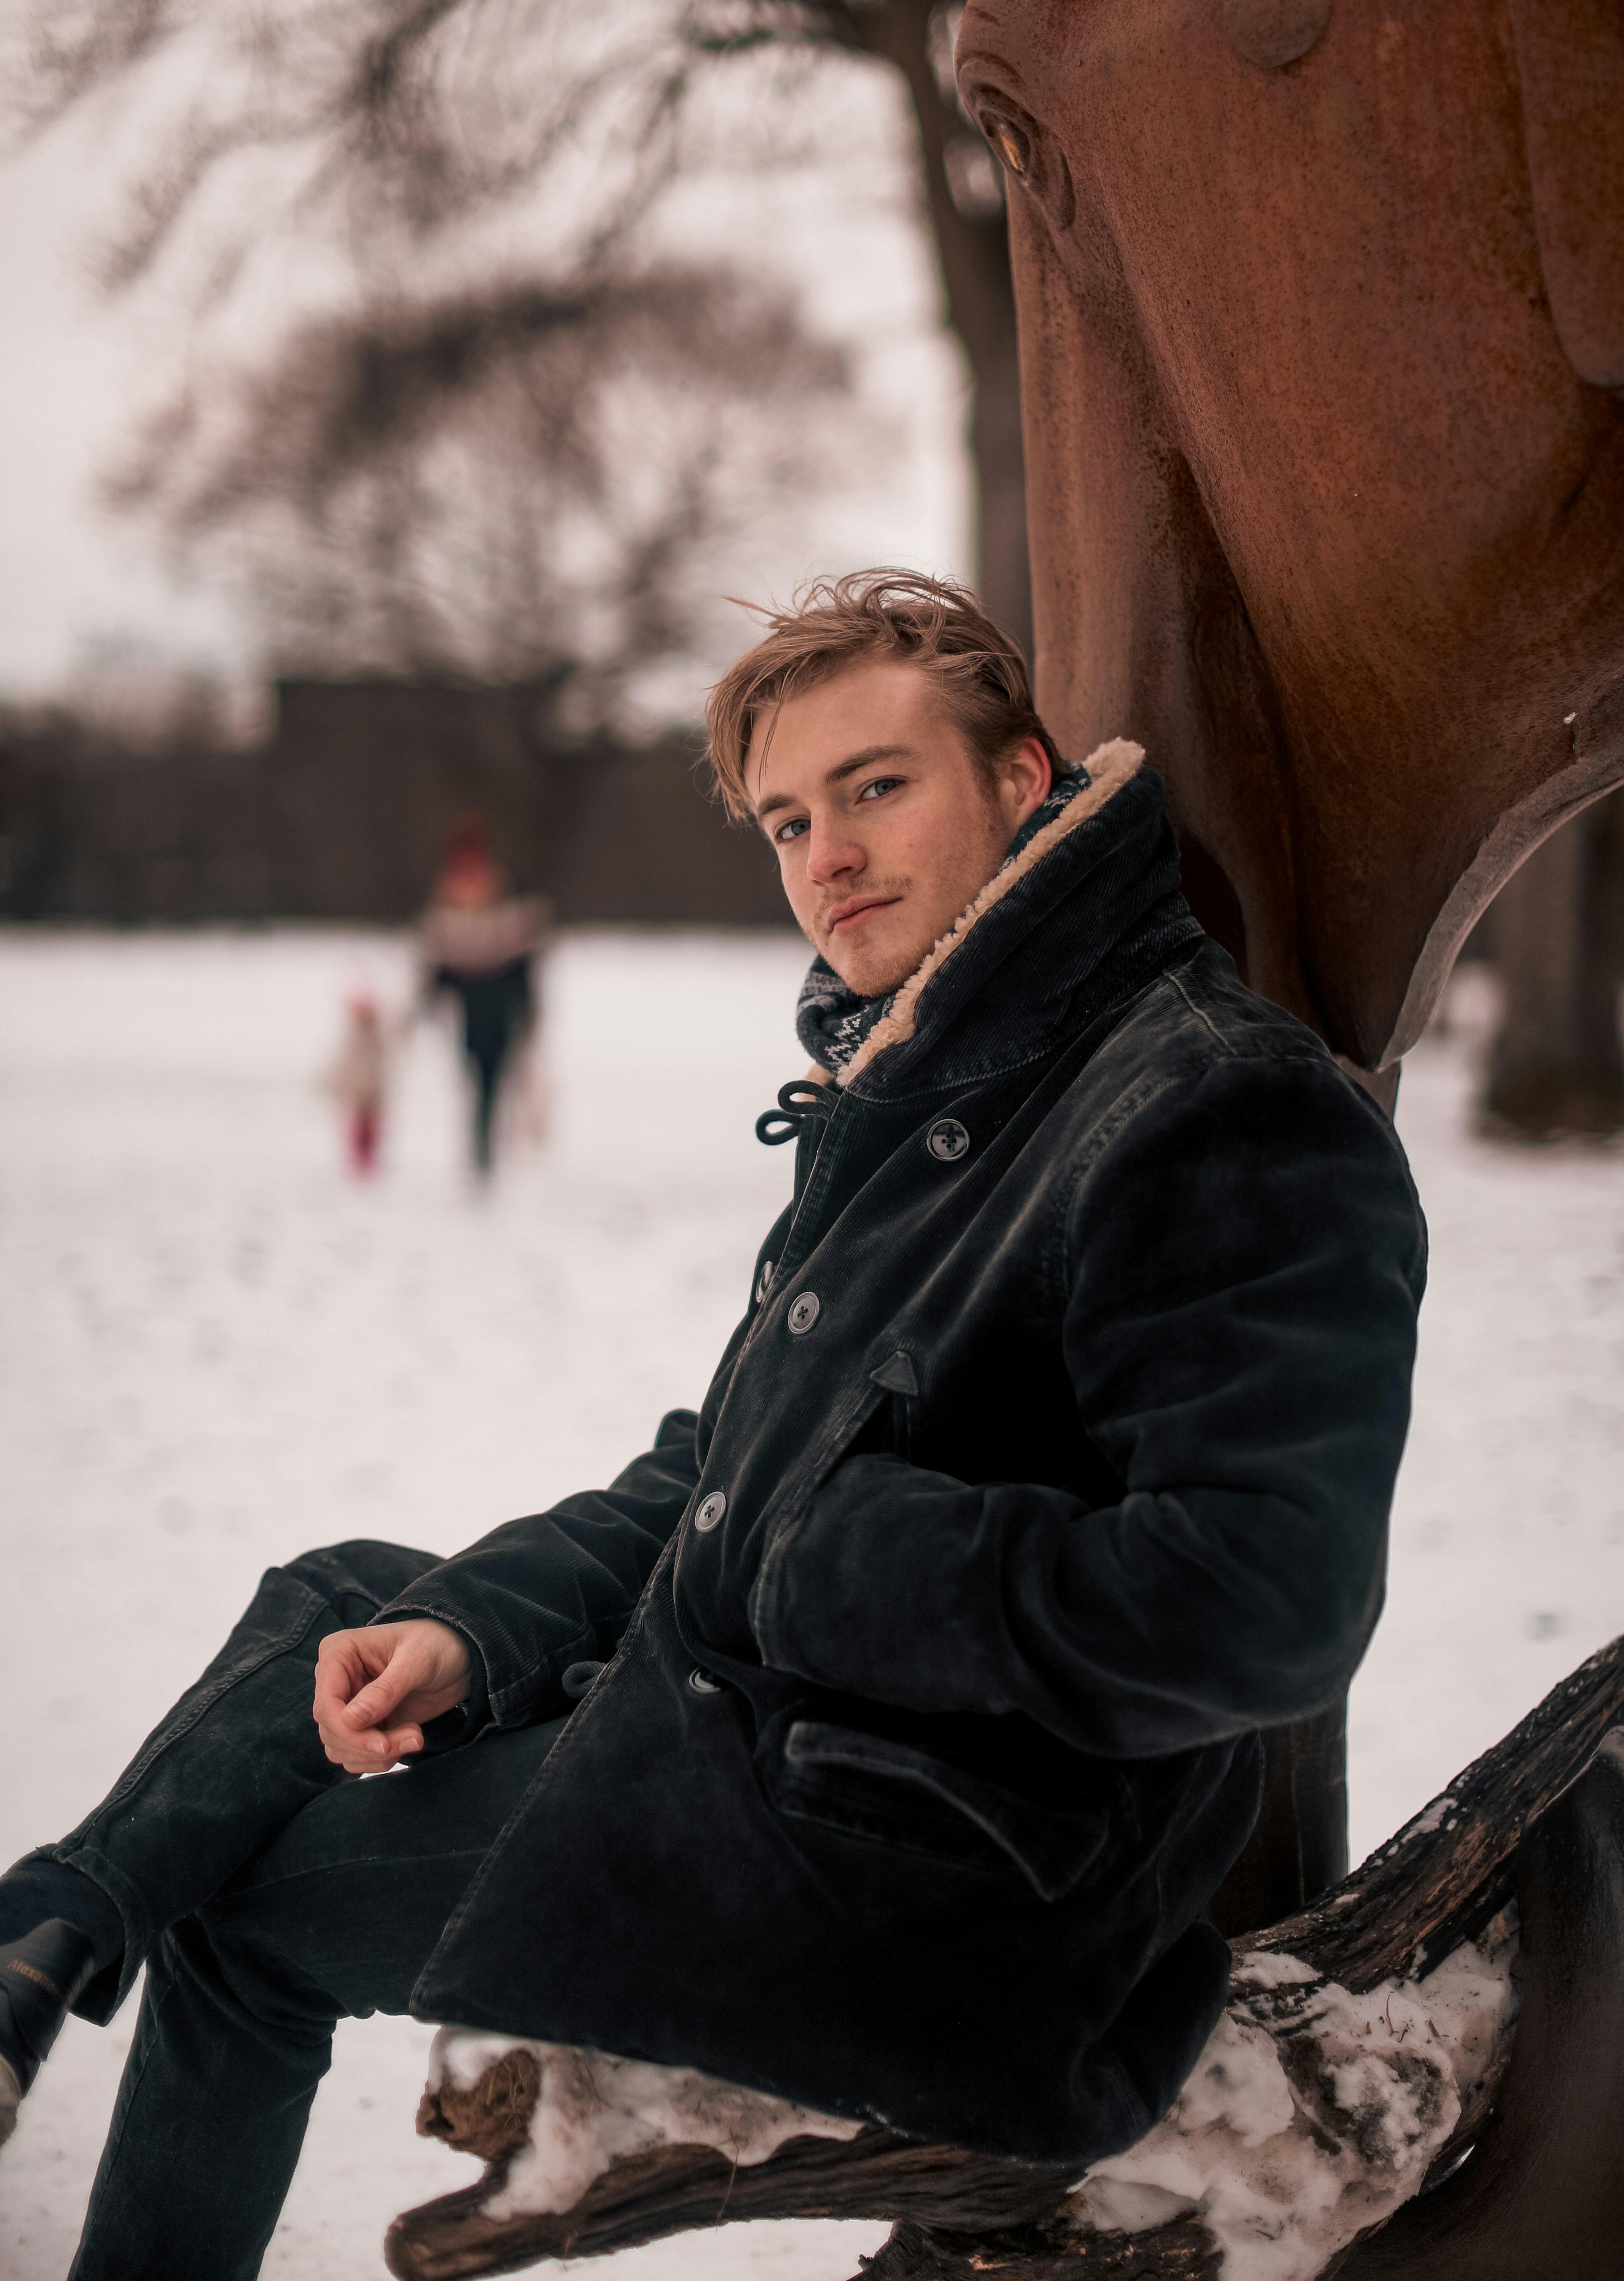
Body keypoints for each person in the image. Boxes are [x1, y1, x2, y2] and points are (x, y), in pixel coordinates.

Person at [0, 572, 1425, 2278]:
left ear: (1023, 784)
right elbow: (714, 1485)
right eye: (786, 819)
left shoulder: (1208, 1099)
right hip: (790, 1763)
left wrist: (833, 1552)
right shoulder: (941, 1087)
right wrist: (469, 1634)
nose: (826, 855)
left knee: (247, 1909)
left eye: (879, 787)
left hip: (935, 1897)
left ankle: (58, 1949)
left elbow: (1267, 1604)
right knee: (351, 1598)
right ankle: (51, 1928)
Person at [417, 827, 551, 1175]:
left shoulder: (506, 909)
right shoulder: (448, 911)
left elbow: (521, 965)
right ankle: (482, 1142)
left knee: (491, 1078)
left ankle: (484, 1144)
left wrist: (526, 1005)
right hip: (472, 1012)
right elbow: (441, 967)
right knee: (477, 1076)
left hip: (499, 1010)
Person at [321, 992, 391, 1175]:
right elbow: (339, 1064)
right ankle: (358, 1163)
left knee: (372, 1131)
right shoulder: (351, 1040)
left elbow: (388, 1062)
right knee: (357, 1130)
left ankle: (369, 1162)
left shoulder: (380, 1038)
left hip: (375, 1093)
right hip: (358, 1093)